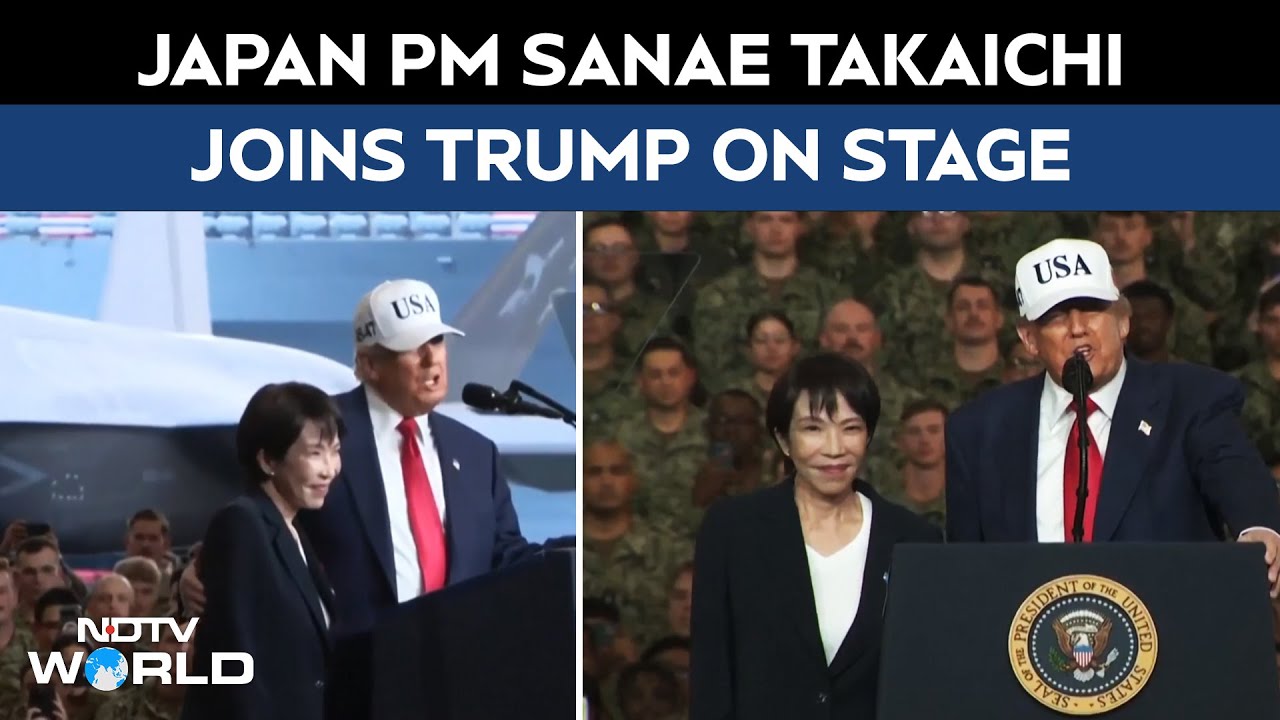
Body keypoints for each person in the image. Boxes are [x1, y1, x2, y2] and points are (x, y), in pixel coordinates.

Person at [177, 278, 567, 716]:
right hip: (350, 694)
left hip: (456, 689)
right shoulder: (316, 434)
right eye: (411, 346)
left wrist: (573, 553)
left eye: (437, 340)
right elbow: (258, 524)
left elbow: (506, 557)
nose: (431, 358)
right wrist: (199, 569)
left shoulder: (476, 454)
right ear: (368, 364)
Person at [945, 238, 1280, 595]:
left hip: (1170, 633)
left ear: (1122, 322)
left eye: (1091, 309)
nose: (1077, 328)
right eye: (1056, 316)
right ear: (1029, 339)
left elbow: (1234, 470)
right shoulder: (979, 430)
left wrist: (1258, 527)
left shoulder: (1190, 399)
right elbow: (967, 573)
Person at [689, 352, 941, 719]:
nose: (834, 448)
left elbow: (926, 676)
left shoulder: (913, 539)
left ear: (868, 435)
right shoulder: (733, 530)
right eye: (813, 428)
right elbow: (711, 673)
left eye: (850, 428)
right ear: (783, 440)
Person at [180, 381, 342, 720]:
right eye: (315, 453)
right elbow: (236, 660)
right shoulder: (242, 524)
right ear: (268, 459)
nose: (329, 468)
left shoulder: (294, 529)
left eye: (335, 451)